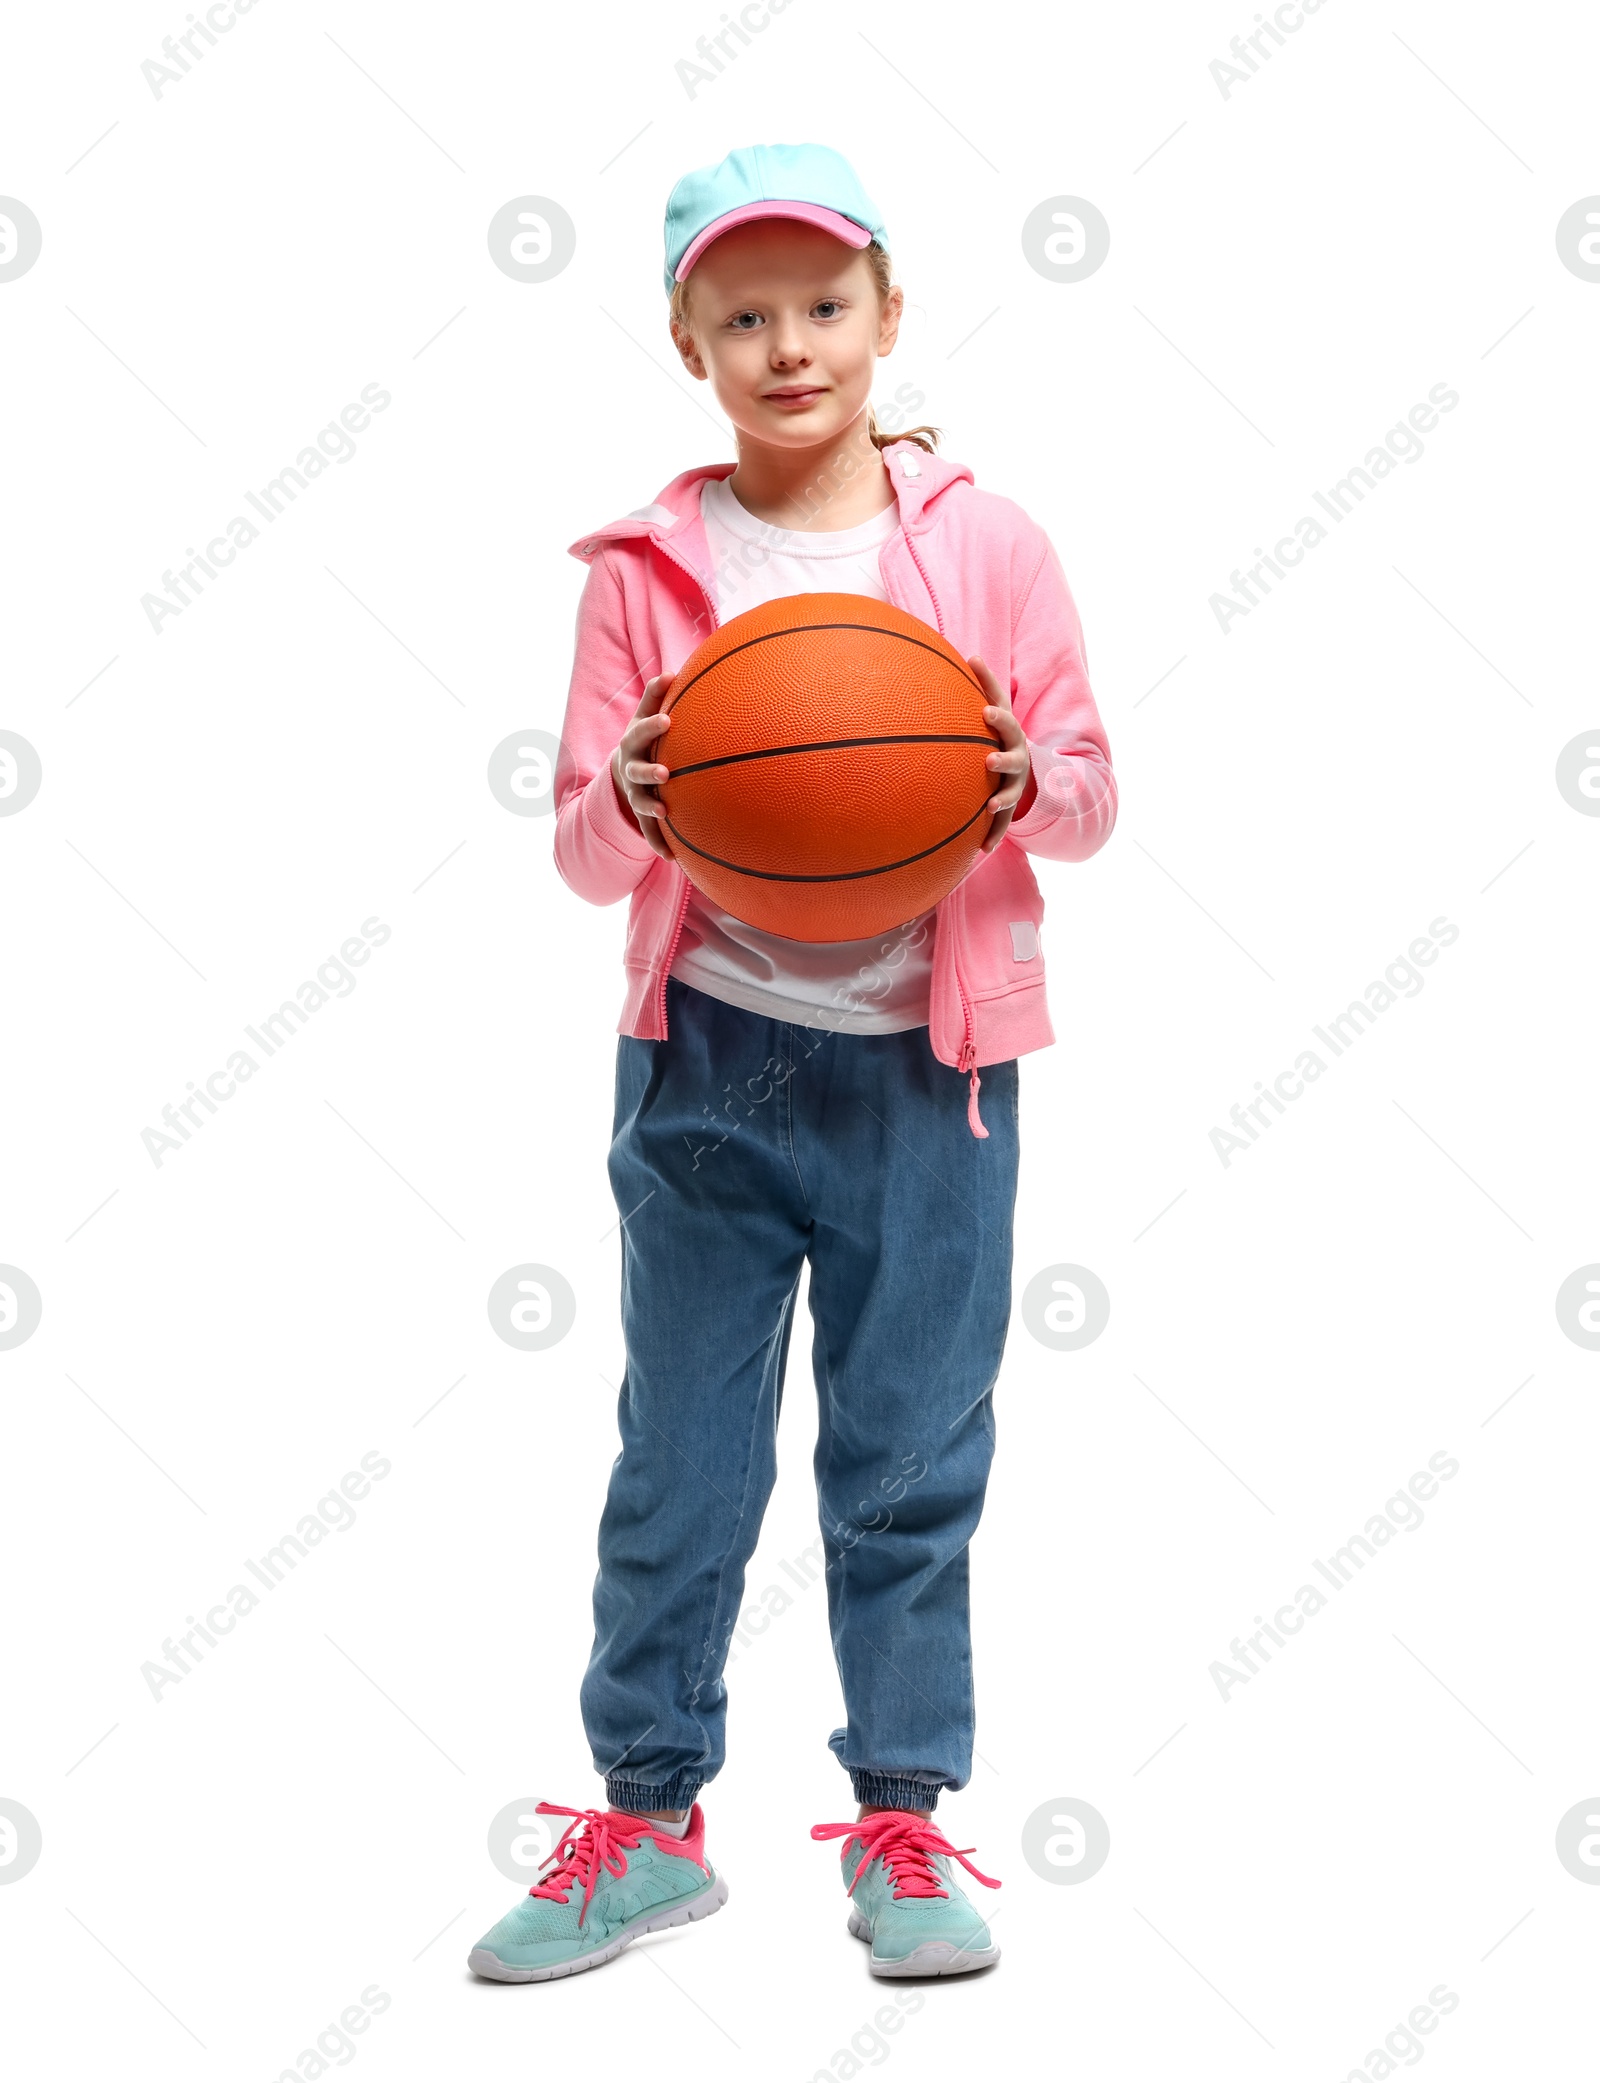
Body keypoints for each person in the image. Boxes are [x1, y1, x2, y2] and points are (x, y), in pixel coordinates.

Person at [468, 142, 1116, 1986]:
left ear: (890, 317)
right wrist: (644, 800)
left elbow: (1090, 797)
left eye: (824, 305)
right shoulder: (647, 571)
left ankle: (902, 1820)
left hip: (933, 1075)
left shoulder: (987, 545)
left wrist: (1012, 777)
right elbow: (584, 855)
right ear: (689, 344)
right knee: (680, 1451)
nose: (789, 346)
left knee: (910, 1458)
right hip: (711, 1071)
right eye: (740, 315)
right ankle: (652, 1820)